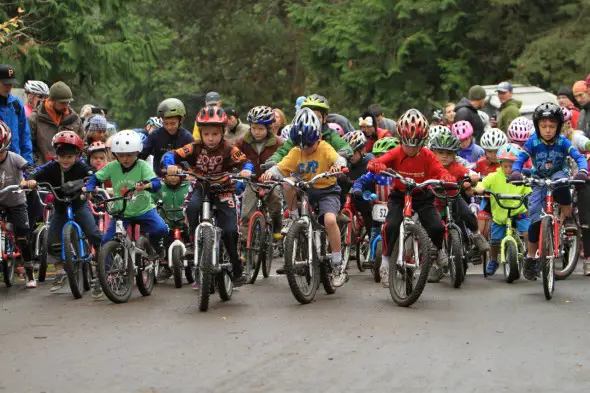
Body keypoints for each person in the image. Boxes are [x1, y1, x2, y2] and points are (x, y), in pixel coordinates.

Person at [162, 106, 253, 287]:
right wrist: (170, 164)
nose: (210, 138)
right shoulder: (194, 147)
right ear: (201, 134)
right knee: (191, 208)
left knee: (230, 230)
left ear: (223, 132)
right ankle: (194, 243)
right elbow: (171, 154)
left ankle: (236, 266)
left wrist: (245, 171)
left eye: (215, 134)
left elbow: (246, 162)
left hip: (224, 190)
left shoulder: (229, 148)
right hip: (201, 187)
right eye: (206, 134)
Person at [365, 109, 454, 286]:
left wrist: (446, 178)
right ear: (401, 140)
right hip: (400, 196)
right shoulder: (397, 152)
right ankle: (385, 261)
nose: (411, 149)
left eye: (416, 145)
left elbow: (439, 170)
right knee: (390, 225)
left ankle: (438, 249)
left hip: (422, 195)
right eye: (407, 144)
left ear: (423, 142)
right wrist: (375, 164)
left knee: (436, 226)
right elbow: (379, 160)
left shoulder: (427, 155)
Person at [261, 108, 348, 286]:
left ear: (318, 137)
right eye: (302, 145)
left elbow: (339, 159)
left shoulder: (325, 147)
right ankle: (293, 217)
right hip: (305, 191)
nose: (306, 149)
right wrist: (269, 173)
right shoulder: (296, 151)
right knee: (288, 181)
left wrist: (337, 167)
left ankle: (338, 264)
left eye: (309, 144)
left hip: (326, 190)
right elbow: (281, 167)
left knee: (330, 220)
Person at [510, 103, 588, 280]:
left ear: (559, 127)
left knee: (560, 182)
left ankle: (567, 218)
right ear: (537, 126)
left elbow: (578, 156)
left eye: (552, 126)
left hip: (558, 175)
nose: (547, 130)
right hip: (538, 181)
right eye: (543, 126)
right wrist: (515, 171)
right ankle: (531, 257)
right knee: (534, 220)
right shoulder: (533, 142)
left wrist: (583, 171)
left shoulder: (563, 142)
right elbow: (521, 158)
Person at [28, 131, 102, 293]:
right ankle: (60, 271)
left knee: (93, 232)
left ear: (77, 156)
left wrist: (90, 184)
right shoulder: (52, 167)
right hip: (60, 207)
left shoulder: (82, 166)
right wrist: (31, 180)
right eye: (62, 156)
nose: (65, 160)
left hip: (79, 204)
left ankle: (102, 262)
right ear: (57, 155)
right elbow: (36, 172)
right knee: (51, 240)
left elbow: (93, 175)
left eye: (70, 156)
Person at [85, 130, 168, 262]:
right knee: (106, 242)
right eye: (121, 155)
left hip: (144, 210)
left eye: (129, 155)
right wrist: (89, 188)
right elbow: (95, 178)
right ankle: (107, 275)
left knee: (161, 229)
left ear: (137, 153)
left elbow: (156, 183)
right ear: (115, 155)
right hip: (121, 213)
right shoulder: (112, 166)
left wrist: (147, 185)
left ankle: (155, 246)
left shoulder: (142, 166)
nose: (125, 159)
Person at [429, 127, 489, 281]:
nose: (444, 157)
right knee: (433, 229)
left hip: (453, 199)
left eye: (448, 154)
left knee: (467, 214)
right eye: (441, 153)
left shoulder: (456, 166)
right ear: (433, 153)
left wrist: (473, 176)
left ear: (454, 155)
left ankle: (476, 235)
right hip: (435, 202)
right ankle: (435, 262)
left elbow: (466, 172)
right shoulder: (431, 167)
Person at [477, 143, 531, 275]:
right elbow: (482, 183)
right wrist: (480, 187)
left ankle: (531, 258)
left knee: (528, 234)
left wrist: (530, 192)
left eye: (512, 166)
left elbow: (529, 189)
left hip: (518, 211)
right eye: (505, 165)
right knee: (495, 241)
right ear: (500, 164)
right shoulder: (494, 176)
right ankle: (494, 259)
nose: (508, 169)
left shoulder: (521, 177)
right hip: (500, 214)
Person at [235, 106, 284, 242]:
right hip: (252, 181)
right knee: (246, 214)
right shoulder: (242, 142)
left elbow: (286, 159)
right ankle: (245, 245)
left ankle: (277, 227)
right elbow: (233, 156)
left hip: (271, 181)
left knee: (275, 202)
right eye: (254, 128)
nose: (256, 132)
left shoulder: (278, 142)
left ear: (268, 128)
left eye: (261, 129)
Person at [266, 94, 353, 167]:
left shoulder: (329, 133)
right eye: (309, 116)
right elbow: (284, 150)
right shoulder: (299, 133)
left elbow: (343, 145)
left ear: (325, 118)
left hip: (325, 175)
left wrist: (343, 153)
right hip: (300, 176)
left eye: (317, 116)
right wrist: (274, 160)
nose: (313, 119)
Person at [0, 120, 36, 288]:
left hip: (15, 200)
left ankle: (29, 272)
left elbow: (29, 169)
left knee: (22, 235)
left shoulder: (14, 158)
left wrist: (29, 180)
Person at [352, 136, 396, 243]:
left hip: (397, 207)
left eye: (383, 156)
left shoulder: (400, 172)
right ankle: (372, 254)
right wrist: (357, 189)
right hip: (379, 206)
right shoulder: (374, 172)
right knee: (374, 231)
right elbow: (361, 180)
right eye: (377, 156)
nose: (380, 160)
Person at [29, 81, 84, 165]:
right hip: (43, 171)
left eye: (68, 102)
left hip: (70, 172)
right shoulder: (35, 118)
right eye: (62, 103)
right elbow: (28, 146)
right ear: (51, 100)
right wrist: (37, 164)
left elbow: (83, 145)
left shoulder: (75, 120)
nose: (66, 106)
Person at [152, 167, 191, 282]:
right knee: (165, 244)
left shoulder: (188, 186)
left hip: (184, 222)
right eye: (170, 175)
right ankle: (166, 267)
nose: (173, 178)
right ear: (165, 176)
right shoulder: (160, 187)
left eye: (176, 175)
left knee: (190, 243)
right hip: (167, 222)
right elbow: (152, 199)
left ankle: (194, 266)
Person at [141, 98, 194, 176]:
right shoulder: (155, 135)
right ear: (161, 120)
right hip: (159, 178)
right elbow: (141, 155)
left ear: (181, 120)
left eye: (173, 123)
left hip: (182, 179)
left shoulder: (187, 137)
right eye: (166, 123)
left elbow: (194, 161)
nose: (169, 127)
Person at [0, 64, 33, 165]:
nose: (9, 88)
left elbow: (24, 136)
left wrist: (28, 164)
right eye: (5, 84)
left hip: (15, 163)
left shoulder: (16, 104)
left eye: (11, 84)